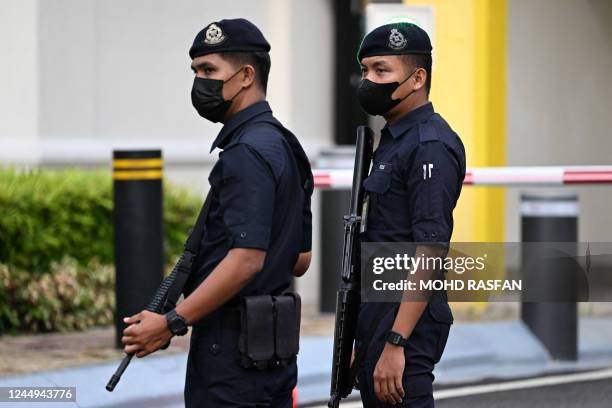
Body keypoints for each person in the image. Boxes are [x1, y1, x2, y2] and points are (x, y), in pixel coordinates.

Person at [120, 18, 313, 407]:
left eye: (209, 71)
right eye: (195, 71)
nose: (199, 82)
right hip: (269, 358)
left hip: (231, 363)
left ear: (245, 76)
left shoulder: (246, 152)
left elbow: (245, 260)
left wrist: (170, 323)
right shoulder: (285, 144)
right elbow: (300, 260)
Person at [354, 22, 466, 407]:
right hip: (378, 313)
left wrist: (395, 342)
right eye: (366, 70)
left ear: (417, 78)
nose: (369, 80)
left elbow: (431, 250)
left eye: (381, 70)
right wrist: (363, 337)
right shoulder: (393, 139)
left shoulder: (429, 144)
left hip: (407, 323)